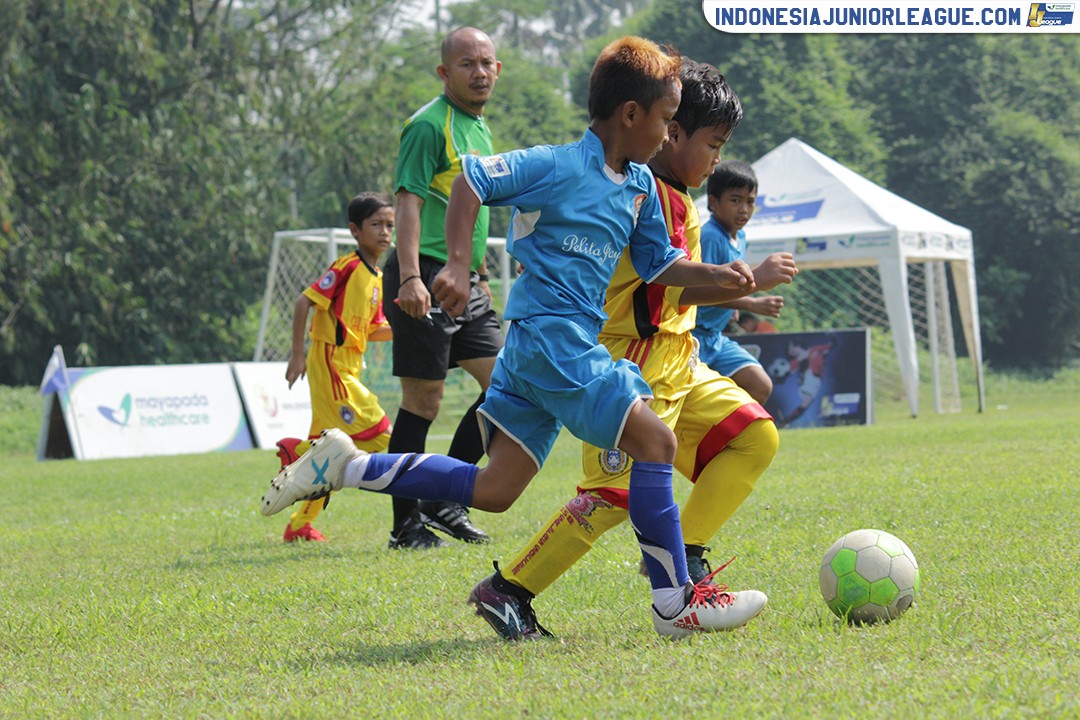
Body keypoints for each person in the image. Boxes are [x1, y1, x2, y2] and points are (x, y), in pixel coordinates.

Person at [261, 37, 767, 640]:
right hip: (555, 340)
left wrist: (726, 277)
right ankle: (675, 603)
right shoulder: (558, 164)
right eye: (664, 119)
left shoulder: (637, 187)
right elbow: (470, 183)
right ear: (631, 115)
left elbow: (661, 266)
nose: (668, 133)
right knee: (656, 443)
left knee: (495, 490)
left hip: (537, 350)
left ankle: (345, 465)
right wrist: (451, 264)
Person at [465, 60, 799, 639]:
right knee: (612, 496)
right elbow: (657, 283)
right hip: (631, 359)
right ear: (669, 132)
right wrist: (743, 280)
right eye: (712, 144)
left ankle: (686, 566)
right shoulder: (646, 193)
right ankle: (508, 589)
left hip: (679, 357)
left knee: (750, 434)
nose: (716, 158)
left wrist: (733, 285)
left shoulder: (671, 195)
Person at [382, 26, 504, 549]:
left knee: (506, 388)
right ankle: (405, 524)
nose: (479, 72)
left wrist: (479, 275)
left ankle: (444, 495)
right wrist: (411, 276)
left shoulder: (481, 130)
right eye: (466, 64)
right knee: (424, 401)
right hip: (424, 272)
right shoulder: (429, 125)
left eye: (486, 63)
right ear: (444, 72)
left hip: (466, 280)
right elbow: (406, 203)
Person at [274, 192, 396, 543]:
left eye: (390, 225)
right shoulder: (347, 266)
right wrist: (297, 354)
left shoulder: (377, 278)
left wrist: (410, 329)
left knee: (328, 453)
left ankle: (299, 526)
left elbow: (372, 330)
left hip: (349, 367)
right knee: (382, 432)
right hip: (330, 362)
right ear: (355, 230)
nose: (385, 232)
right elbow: (302, 302)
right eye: (376, 225)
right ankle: (294, 452)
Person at [692, 160, 786, 405]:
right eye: (735, 200)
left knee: (760, 385)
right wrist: (752, 304)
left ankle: (725, 441)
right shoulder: (711, 236)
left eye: (750, 201)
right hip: (692, 338)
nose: (744, 209)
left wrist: (732, 308)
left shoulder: (739, 236)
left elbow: (729, 286)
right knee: (692, 403)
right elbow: (706, 291)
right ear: (713, 202)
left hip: (715, 338)